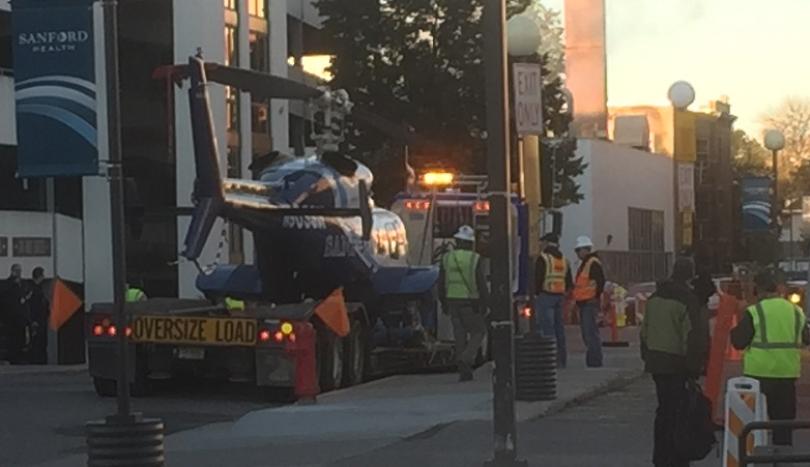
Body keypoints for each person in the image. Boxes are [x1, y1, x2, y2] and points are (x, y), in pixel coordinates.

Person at [641, 258, 710, 467]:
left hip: (656, 361)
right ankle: (677, 458)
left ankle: (661, 457)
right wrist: (694, 368)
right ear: (690, 275)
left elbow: (644, 331)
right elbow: (692, 337)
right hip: (677, 364)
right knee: (680, 412)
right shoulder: (687, 300)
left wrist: (647, 356)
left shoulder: (654, 298)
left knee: (663, 410)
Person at [731, 269, 810, 446]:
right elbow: (806, 338)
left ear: (757, 290)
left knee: (752, 423)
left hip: (758, 374)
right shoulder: (796, 311)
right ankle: (781, 455)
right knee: (783, 424)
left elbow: (738, 342)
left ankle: (753, 455)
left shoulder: (755, 311)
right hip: (787, 374)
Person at [438, 225, 489, 382]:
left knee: (459, 335)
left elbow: (441, 283)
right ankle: (466, 358)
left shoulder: (447, 258)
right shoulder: (475, 258)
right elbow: (481, 283)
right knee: (479, 331)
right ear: (470, 243)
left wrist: (443, 302)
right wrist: (485, 303)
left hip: (452, 300)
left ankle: (464, 373)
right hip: (470, 301)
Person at [534, 233, 573, 368]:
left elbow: (537, 279)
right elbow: (569, 282)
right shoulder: (564, 261)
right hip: (559, 297)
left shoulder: (543, 258)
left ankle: (549, 361)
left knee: (547, 330)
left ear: (546, 243)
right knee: (559, 330)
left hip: (546, 296)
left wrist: (536, 294)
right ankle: (561, 360)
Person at [572, 236, 605, 367]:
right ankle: (593, 359)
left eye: (578, 250)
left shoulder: (592, 263)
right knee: (588, 333)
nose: (577, 253)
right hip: (585, 302)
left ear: (585, 249)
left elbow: (600, 282)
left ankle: (595, 360)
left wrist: (595, 297)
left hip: (589, 302)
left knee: (590, 332)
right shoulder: (586, 263)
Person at [1, 264, 31, 364]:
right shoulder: (7, 284)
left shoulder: (23, 283)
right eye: (17, 271)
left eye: (20, 271)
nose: (19, 273)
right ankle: (12, 357)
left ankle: (19, 357)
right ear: (12, 271)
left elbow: (25, 295)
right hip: (11, 317)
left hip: (21, 317)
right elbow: (5, 299)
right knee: (12, 338)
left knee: (21, 338)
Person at [27, 267, 49, 364]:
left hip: (41, 320)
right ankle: (37, 361)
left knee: (41, 342)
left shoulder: (37, 289)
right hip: (38, 321)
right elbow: (33, 307)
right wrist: (34, 320)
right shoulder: (34, 290)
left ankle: (40, 360)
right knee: (38, 343)